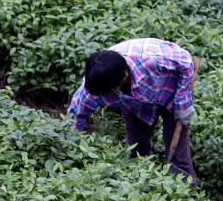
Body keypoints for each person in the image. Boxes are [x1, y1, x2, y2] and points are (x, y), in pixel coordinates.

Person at [68, 38, 198, 185]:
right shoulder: (96, 85)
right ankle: (142, 183)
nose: (108, 95)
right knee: (136, 148)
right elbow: (76, 115)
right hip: (134, 103)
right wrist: (73, 149)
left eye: (111, 91)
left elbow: (186, 61)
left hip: (168, 89)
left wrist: (183, 102)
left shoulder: (151, 61)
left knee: (178, 155)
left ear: (124, 75)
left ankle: (188, 192)